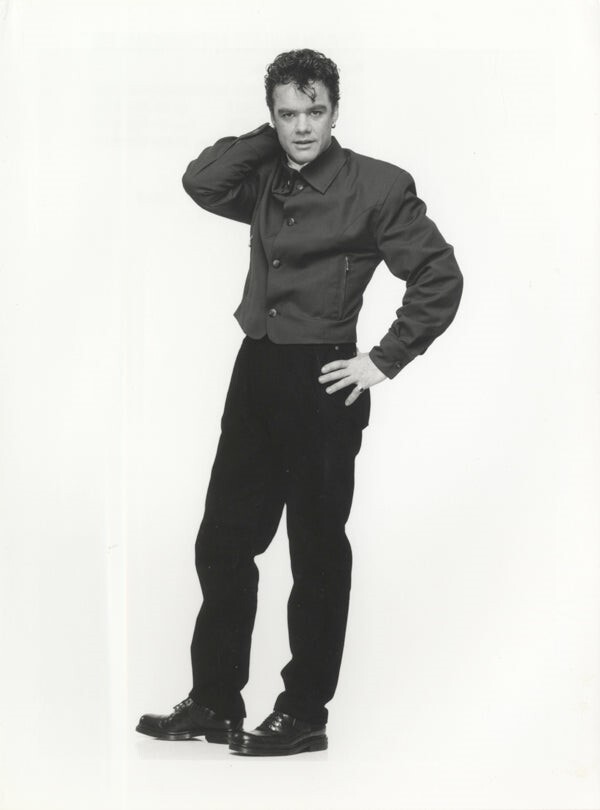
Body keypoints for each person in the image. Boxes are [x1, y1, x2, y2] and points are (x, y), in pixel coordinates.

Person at [136, 47, 463, 756]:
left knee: (316, 550)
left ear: (336, 111)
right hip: (256, 369)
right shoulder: (264, 176)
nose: (304, 126)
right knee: (223, 540)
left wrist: (383, 360)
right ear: (273, 117)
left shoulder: (378, 185)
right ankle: (215, 701)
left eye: (315, 111)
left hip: (323, 378)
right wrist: (268, 138)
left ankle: (304, 711)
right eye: (288, 114)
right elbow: (200, 181)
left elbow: (439, 274)